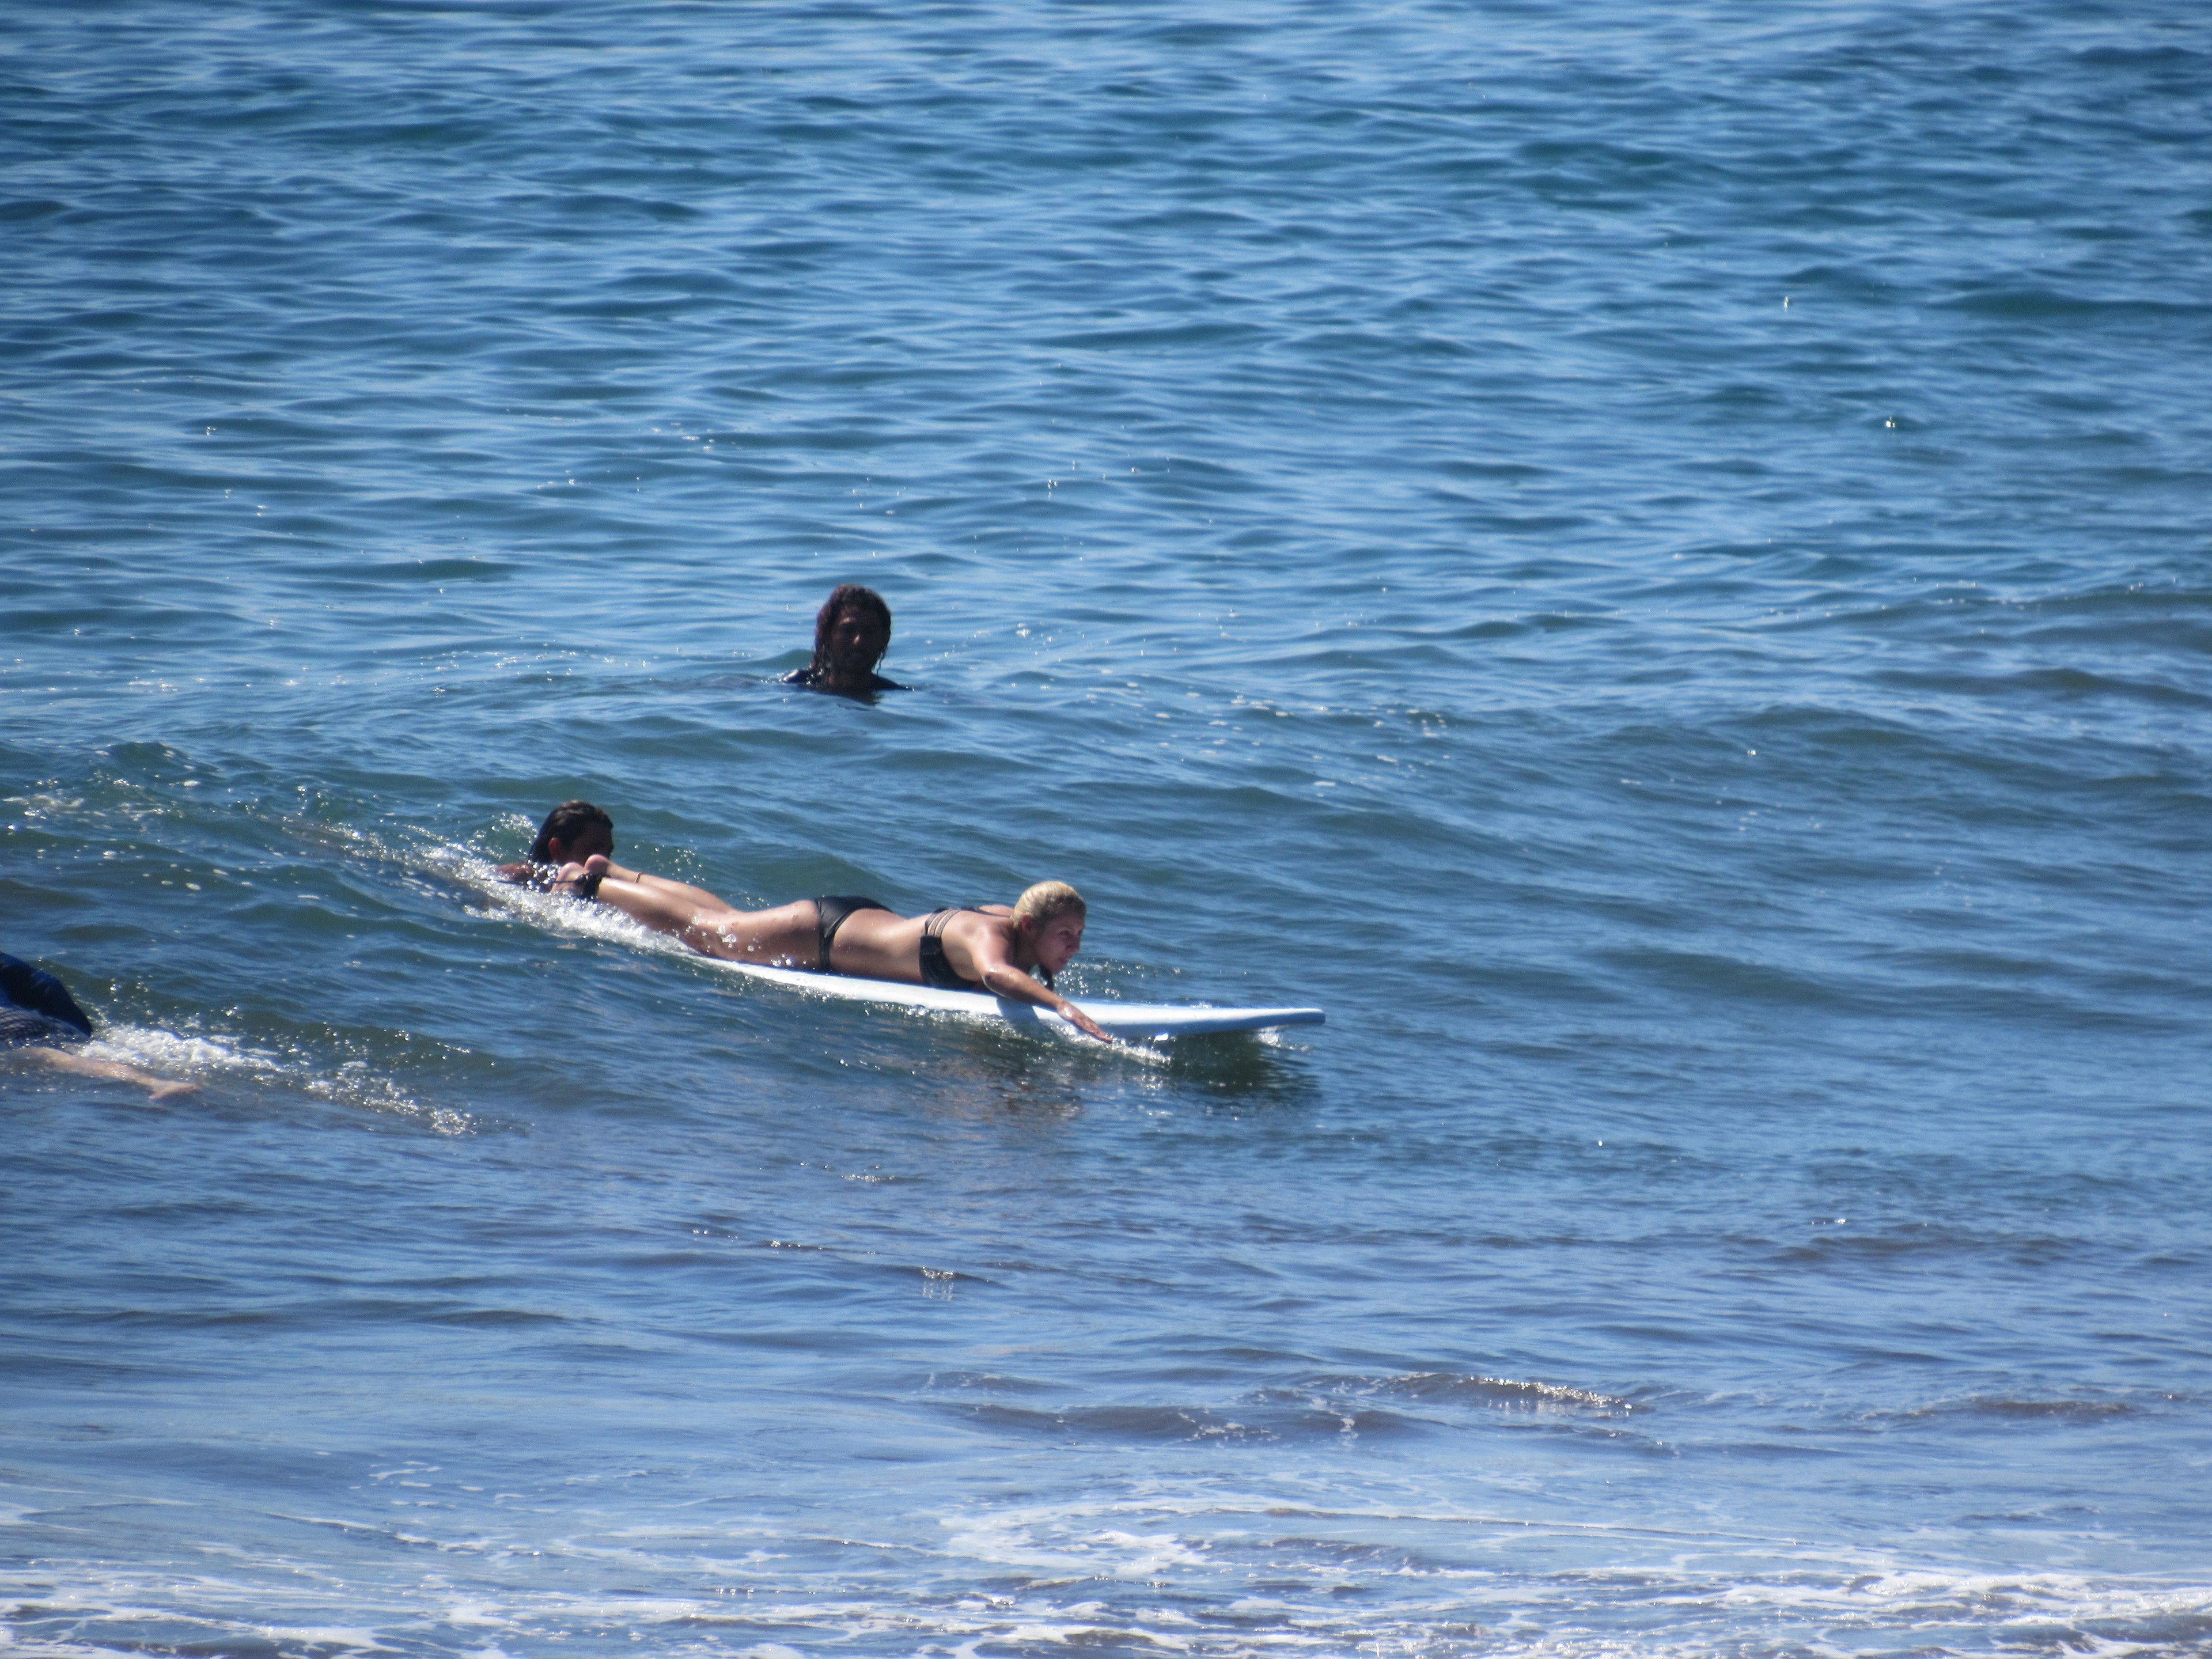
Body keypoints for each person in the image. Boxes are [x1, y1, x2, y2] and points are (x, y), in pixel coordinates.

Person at [502, 804, 1112, 1042]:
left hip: (857, 918)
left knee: (722, 919)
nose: (1074, 948)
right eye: (1066, 937)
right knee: (713, 936)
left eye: (1079, 938)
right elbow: (999, 977)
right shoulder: (994, 938)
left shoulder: (1016, 916)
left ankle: (618, 872)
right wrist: (1066, 1011)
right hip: (824, 936)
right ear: (1028, 928)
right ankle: (597, 883)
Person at [1, 952, 198, 1099]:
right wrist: (77, 1029)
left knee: (54, 1058)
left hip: (13, 1025)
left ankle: (156, 1083)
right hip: (46, 1022)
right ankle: (155, 1080)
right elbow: (44, 983)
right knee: (72, 1053)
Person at [781, 584, 904, 696]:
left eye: (869, 632)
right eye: (848, 630)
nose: (858, 641)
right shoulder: (795, 685)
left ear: (884, 639)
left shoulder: (895, 694)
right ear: (827, 634)